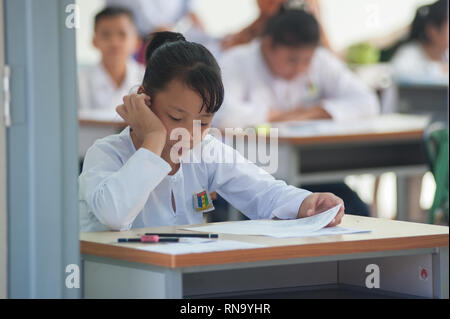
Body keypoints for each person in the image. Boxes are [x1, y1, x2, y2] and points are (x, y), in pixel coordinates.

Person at [78, 31, 345, 232]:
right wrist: (155, 138)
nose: (191, 134)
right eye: (176, 117)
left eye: (204, 122)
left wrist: (307, 202)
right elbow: (114, 215)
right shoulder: (106, 154)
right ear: (144, 100)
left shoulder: (205, 150)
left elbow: (264, 192)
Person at [214, 10, 379, 217]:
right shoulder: (236, 61)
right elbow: (223, 113)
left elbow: (367, 101)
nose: (300, 68)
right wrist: (279, 115)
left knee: (354, 211)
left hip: (309, 167)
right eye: (292, 60)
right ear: (267, 45)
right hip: (252, 170)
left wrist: (313, 113)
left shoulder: (320, 60)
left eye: (306, 61)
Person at [78, 7, 145, 115]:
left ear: (136, 41)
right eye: (105, 35)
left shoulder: (147, 79)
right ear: (94, 41)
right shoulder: (79, 82)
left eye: (122, 34)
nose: (114, 42)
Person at [390, 0, 448, 84]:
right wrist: (439, 69)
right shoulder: (408, 56)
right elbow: (400, 76)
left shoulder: (445, 55)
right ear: (433, 30)